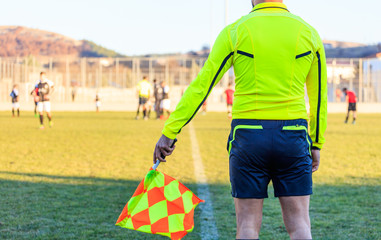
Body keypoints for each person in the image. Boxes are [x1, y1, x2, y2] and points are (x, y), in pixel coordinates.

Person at [153, 1, 327, 239]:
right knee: (299, 226)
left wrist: (170, 131)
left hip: (248, 137)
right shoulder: (309, 33)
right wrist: (316, 143)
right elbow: (319, 98)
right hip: (293, 135)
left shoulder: (235, 31)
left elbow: (202, 86)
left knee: (247, 226)